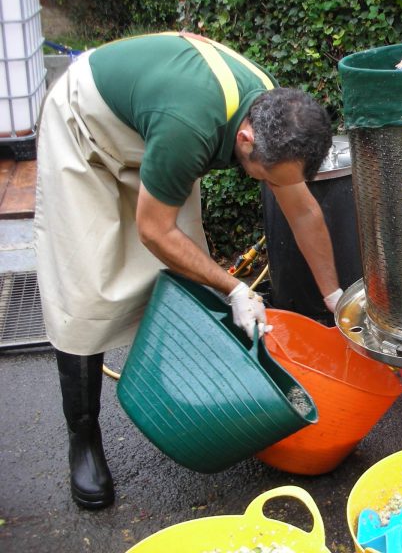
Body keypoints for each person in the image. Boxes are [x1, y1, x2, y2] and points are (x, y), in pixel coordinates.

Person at [33, 32, 343, 509]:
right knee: (85, 291)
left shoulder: (273, 114)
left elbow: (302, 212)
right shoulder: (190, 127)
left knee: (186, 274)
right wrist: (236, 287)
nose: (268, 185)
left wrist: (334, 297)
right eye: (264, 175)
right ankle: (84, 439)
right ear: (246, 139)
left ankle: (193, 401)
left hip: (153, 133)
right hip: (86, 129)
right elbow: (153, 232)